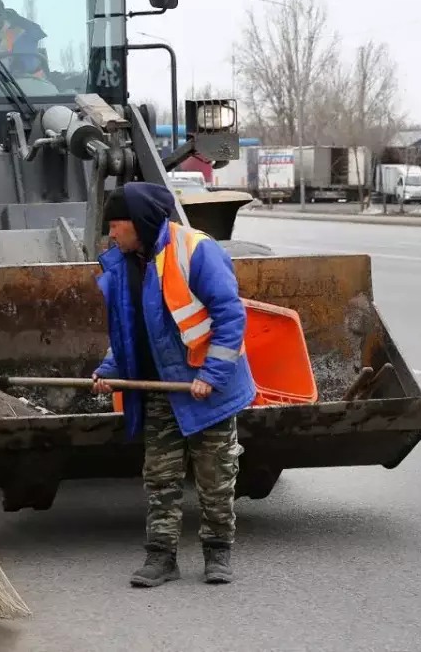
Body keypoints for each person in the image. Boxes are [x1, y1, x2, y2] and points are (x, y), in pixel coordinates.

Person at [91, 183, 255, 588]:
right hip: (162, 388)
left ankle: (218, 553)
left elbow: (230, 315)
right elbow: (132, 331)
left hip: (207, 388)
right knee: (160, 478)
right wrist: (110, 369)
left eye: (116, 225)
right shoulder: (127, 263)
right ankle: (160, 558)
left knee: (216, 477)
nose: (112, 235)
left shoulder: (196, 251)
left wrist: (211, 376)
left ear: (140, 223)